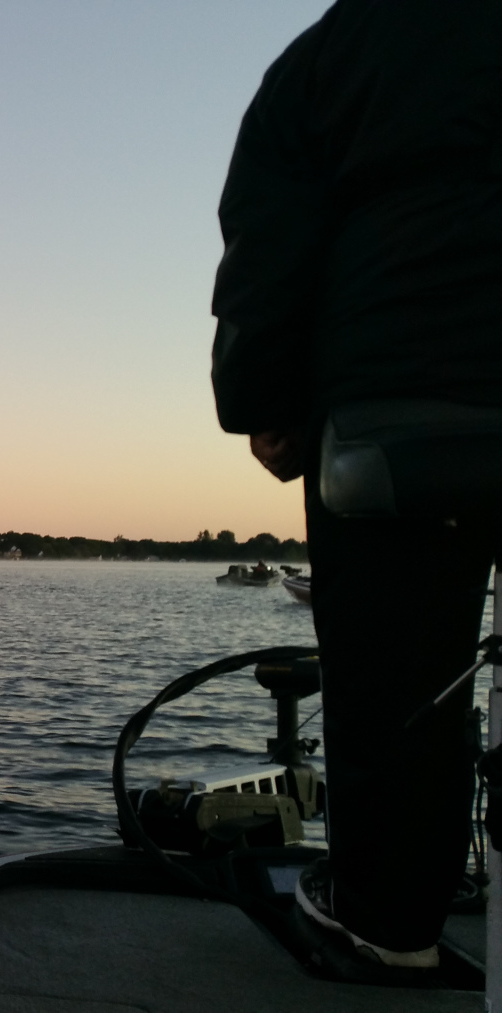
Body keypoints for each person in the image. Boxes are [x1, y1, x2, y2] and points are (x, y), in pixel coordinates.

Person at [210, 1, 502, 971]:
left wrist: (264, 402)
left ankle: (386, 922)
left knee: (394, 676)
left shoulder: (332, 57)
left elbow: (267, 239)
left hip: (401, 399)